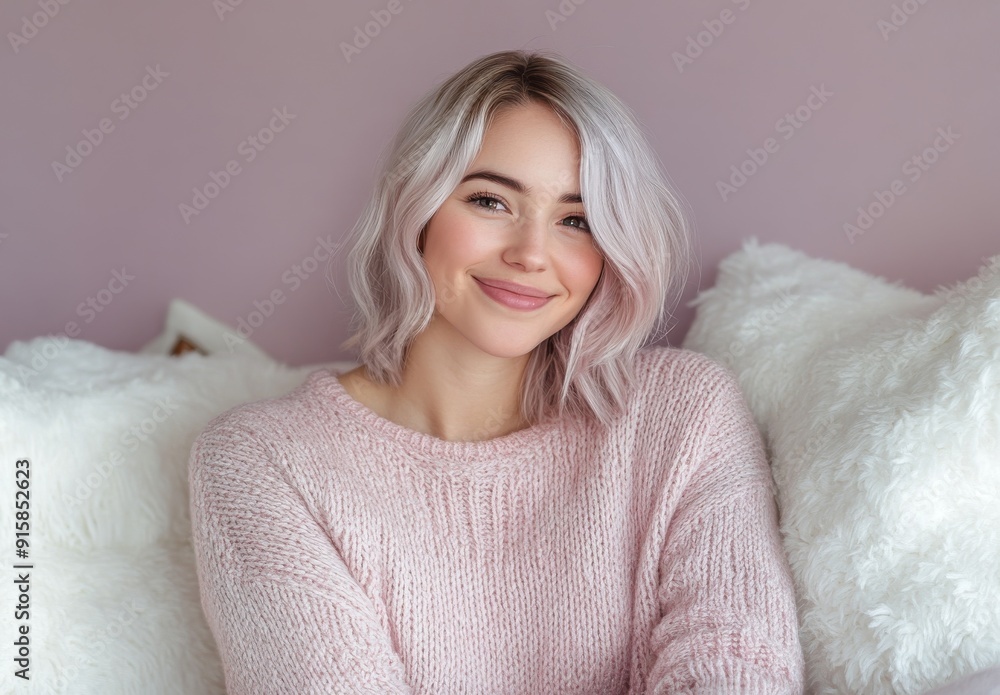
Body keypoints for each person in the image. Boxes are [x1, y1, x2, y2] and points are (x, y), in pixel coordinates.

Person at [188, 49, 805, 693]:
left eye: (576, 220)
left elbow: (737, 667)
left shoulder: (682, 414)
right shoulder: (261, 459)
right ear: (416, 208)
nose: (532, 253)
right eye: (491, 201)